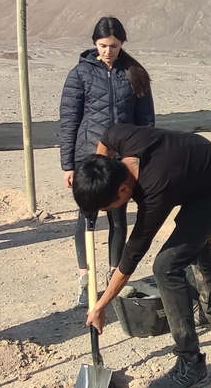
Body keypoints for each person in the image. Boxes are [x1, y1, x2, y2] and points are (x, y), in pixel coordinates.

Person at [76, 124, 211, 388]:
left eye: (107, 208)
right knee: (192, 239)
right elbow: (105, 138)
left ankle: (191, 364)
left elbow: (131, 256)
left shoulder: (155, 189)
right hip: (199, 174)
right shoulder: (123, 139)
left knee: (166, 265)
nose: (107, 213)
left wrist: (101, 305)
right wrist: (97, 174)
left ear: (123, 190)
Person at [60, 16, 156, 307]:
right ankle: (85, 279)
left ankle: (114, 275)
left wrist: (139, 158)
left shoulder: (135, 73)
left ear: (122, 43)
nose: (108, 51)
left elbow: (146, 121)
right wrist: (68, 165)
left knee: (118, 215)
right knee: (86, 215)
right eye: (102, 45)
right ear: (94, 43)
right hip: (89, 158)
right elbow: (69, 120)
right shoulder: (80, 74)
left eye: (113, 46)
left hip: (122, 159)